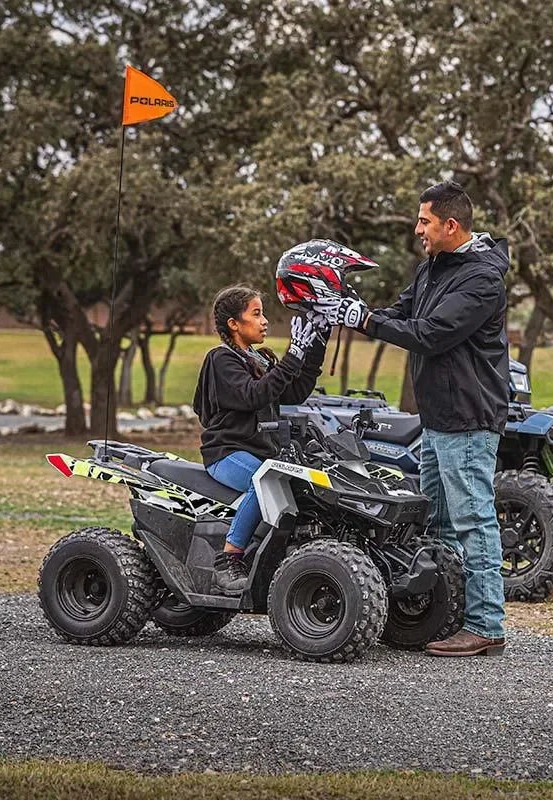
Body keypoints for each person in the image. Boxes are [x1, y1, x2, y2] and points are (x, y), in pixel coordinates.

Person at [317, 181, 510, 657]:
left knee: (473, 521)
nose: (417, 228)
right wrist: (349, 310)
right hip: (438, 420)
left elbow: (431, 334)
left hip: (467, 419)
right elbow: (400, 313)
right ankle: (449, 616)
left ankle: (486, 625)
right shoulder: (432, 270)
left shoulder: (481, 279)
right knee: (438, 522)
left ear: (450, 225)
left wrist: (364, 321)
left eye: (424, 220)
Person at [192, 285, 328, 594]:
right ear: (234, 324)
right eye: (256, 314)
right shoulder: (221, 359)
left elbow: (294, 391)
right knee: (265, 481)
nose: (265, 321)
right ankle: (229, 559)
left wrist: (315, 345)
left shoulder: (260, 359)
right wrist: (293, 356)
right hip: (226, 453)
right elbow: (254, 395)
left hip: (262, 453)